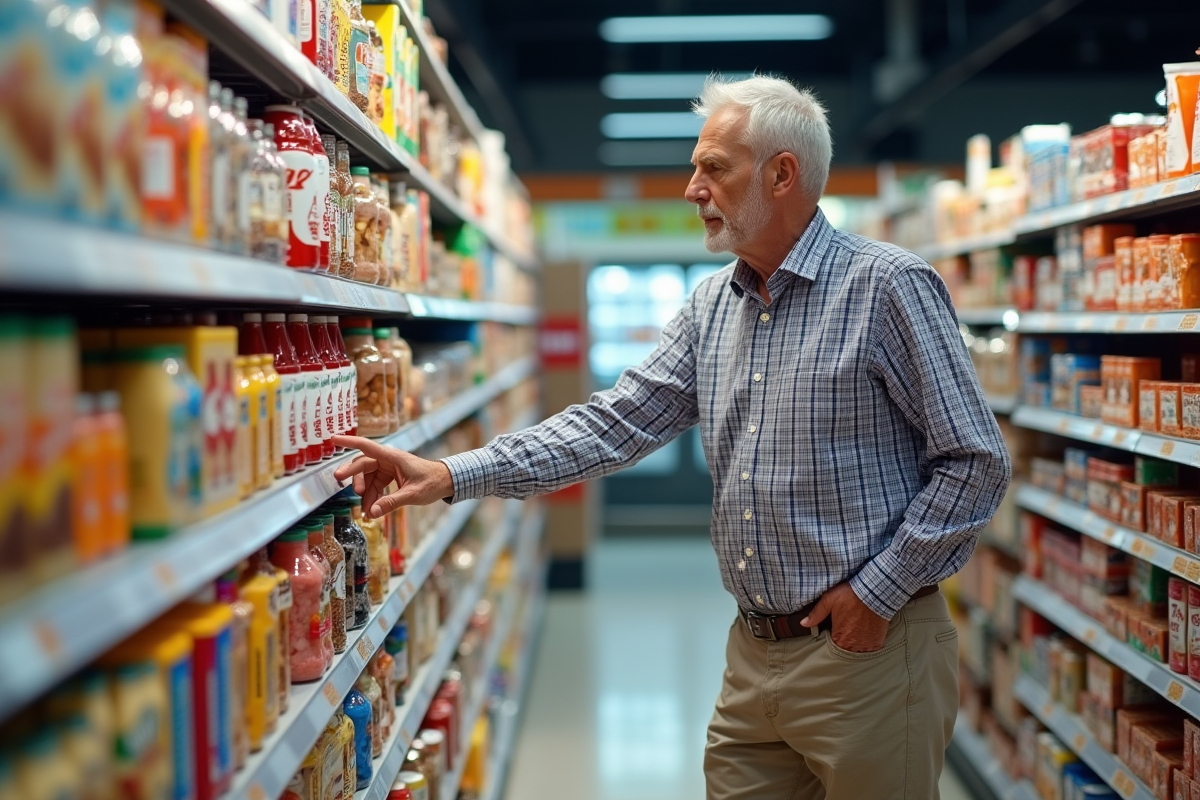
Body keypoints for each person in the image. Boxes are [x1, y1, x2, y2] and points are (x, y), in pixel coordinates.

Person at [333, 74, 1010, 800]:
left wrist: (876, 594)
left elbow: (974, 460)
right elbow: (614, 422)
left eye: (713, 167)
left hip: (870, 651)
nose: (692, 187)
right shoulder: (713, 306)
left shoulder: (888, 287)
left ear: (783, 174)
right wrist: (450, 472)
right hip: (753, 652)